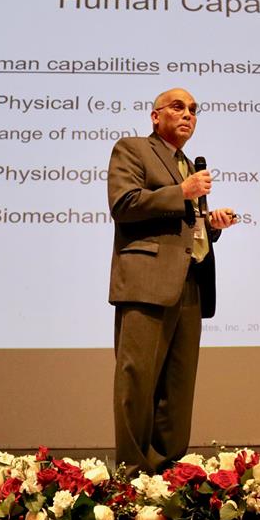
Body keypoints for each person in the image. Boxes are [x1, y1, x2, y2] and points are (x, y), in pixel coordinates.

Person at [107, 88, 237, 475]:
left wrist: (212, 225)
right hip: (147, 282)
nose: (188, 115)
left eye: (193, 110)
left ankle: (167, 473)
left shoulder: (187, 164)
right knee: (137, 381)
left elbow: (186, 227)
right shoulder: (132, 149)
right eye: (178, 107)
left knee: (178, 388)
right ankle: (132, 474)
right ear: (155, 115)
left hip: (190, 281)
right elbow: (123, 204)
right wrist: (181, 192)